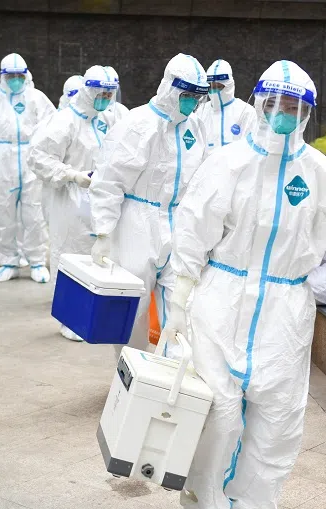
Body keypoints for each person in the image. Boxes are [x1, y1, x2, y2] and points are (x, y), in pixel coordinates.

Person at [163, 60, 326, 509]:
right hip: (222, 298)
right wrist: (177, 306)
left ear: (306, 113)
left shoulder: (320, 174)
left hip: (286, 310)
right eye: (276, 104)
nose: (283, 114)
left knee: (277, 419)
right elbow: (193, 230)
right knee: (216, 413)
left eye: (295, 107)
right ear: (260, 103)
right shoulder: (228, 163)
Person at [89, 53, 209, 357]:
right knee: (132, 309)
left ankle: (171, 381)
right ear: (170, 88)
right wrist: (103, 233)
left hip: (178, 222)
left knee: (182, 304)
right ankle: (130, 377)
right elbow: (108, 181)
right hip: (136, 224)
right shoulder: (137, 124)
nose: (193, 102)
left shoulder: (195, 127)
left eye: (198, 97)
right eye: (187, 95)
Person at [30, 65, 119, 341]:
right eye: (100, 94)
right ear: (87, 92)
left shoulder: (103, 120)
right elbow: (38, 157)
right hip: (69, 197)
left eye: (108, 94)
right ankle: (68, 318)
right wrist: (71, 174)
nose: (104, 99)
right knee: (67, 255)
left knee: (95, 255)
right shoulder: (65, 121)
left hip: (97, 197)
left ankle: (91, 313)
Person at [0, 53, 56, 283]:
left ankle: (37, 261)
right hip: (2, 157)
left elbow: (52, 127)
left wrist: (47, 159)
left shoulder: (38, 99)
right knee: (2, 211)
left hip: (31, 157)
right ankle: (9, 260)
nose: (16, 80)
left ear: (26, 75)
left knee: (35, 212)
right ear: (3, 76)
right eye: (11, 76)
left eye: (20, 75)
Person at [197, 59, 257, 155]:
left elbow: (252, 149)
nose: (214, 91)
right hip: (205, 169)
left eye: (219, 86)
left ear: (229, 86)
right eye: (211, 87)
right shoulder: (201, 112)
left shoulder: (246, 112)